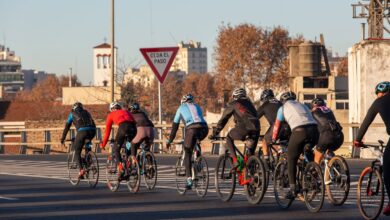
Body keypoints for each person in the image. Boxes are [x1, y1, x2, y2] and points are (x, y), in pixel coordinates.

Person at [272, 91, 318, 199]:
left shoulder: (282, 108)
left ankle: (293, 189)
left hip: (299, 131)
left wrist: (274, 139)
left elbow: (277, 125)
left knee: (291, 157)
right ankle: (313, 173)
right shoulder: (303, 105)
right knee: (307, 150)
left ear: (283, 101)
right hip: (314, 130)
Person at [353, 81, 390, 215]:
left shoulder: (378, 102)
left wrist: (357, 140)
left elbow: (366, 121)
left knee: (387, 168)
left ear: (379, 93)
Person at [209, 88, 260, 169]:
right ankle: (251, 175)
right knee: (250, 155)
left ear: (234, 96)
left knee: (228, 137)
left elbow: (224, 119)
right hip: (256, 128)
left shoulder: (234, 103)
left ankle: (235, 160)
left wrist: (215, 133)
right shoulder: (250, 103)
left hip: (244, 128)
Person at [166, 94, 209, 189]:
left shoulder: (180, 108)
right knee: (195, 142)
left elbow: (174, 128)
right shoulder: (197, 106)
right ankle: (199, 162)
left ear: (182, 102)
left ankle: (189, 179)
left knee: (187, 151)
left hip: (192, 129)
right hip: (204, 129)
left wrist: (169, 141)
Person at [100, 102, 137, 177]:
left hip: (123, 127)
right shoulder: (126, 111)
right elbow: (134, 122)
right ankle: (131, 165)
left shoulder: (111, 114)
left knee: (116, 148)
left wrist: (103, 144)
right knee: (128, 147)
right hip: (133, 129)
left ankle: (121, 168)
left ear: (111, 109)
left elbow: (107, 131)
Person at [60, 102, 96, 178]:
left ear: (73, 108)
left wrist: (62, 139)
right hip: (93, 131)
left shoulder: (72, 114)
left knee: (77, 151)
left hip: (82, 132)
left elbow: (67, 127)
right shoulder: (87, 112)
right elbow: (92, 122)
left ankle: (81, 171)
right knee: (87, 145)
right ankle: (89, 161)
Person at [257, 89, 290, 165]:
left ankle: (266, 161)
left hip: (276, 126)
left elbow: (255, 117)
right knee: (283, 145)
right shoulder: (280, 102)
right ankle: (282, 162)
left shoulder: (265, 105)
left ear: (264, 98)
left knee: (265, 141)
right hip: (288, 127)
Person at [311, 98, 344, 165]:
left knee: (317, 155)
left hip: (327, 136)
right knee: (328, 149)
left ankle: (316, 172)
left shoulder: (313, 112)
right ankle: (333, 163)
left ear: (313, 107)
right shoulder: (329, 111)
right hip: (339, 136)